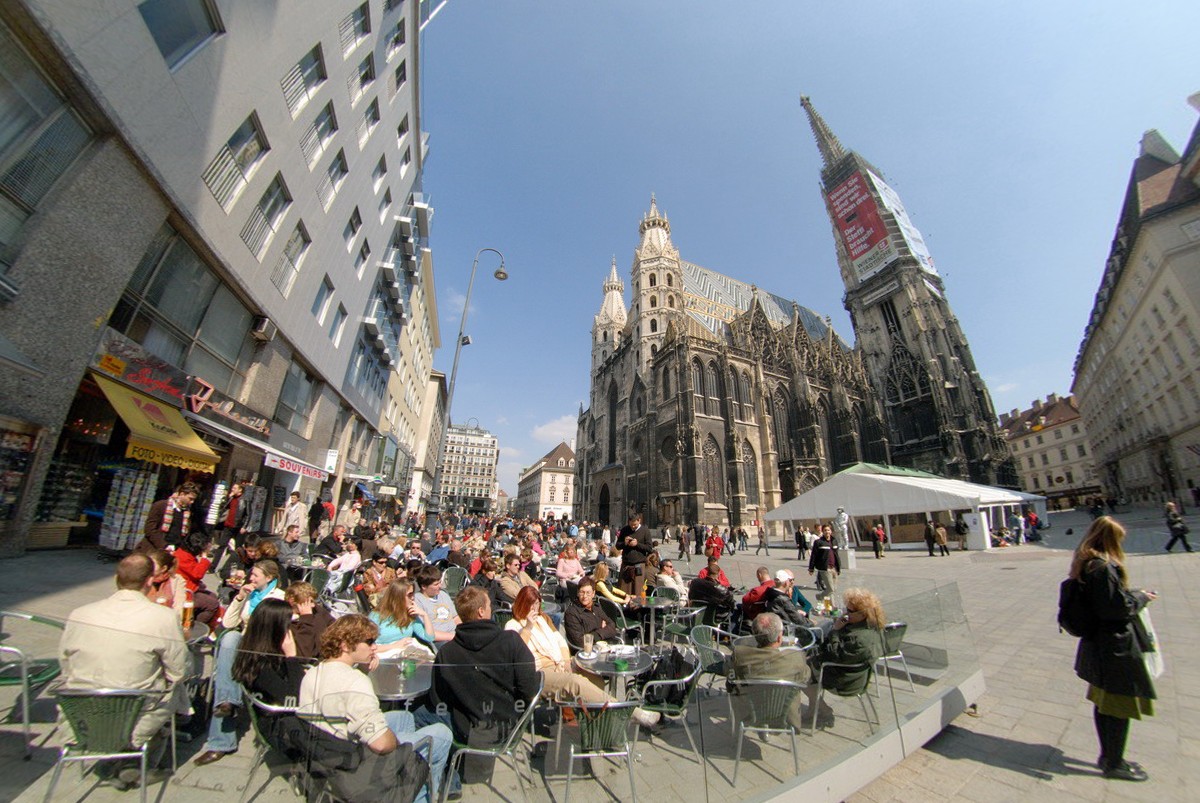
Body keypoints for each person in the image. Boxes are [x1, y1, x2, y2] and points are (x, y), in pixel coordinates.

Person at [60, 554, 188, 788]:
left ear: (116, 578)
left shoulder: (79, 613)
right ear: (150, 581)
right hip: (133, 712)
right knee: (174, 690)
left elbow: (65, 663)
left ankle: (122, 760)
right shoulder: (163, 617)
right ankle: (140, 764)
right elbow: (179, 670)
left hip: (82, 711)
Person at [300, 615, 452, 802]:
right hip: (355, 759)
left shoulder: (314, 672)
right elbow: (381, 743)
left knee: (406, 717)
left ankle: (403, 779)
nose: (375, 646)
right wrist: (395, 741)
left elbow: (342, 704)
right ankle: (421, 794)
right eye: (369, 642)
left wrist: (363, 669)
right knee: (442, 733)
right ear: (346, 646)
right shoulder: (355, 682)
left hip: (326, 749)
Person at [1068, 517, 1157, 781]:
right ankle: (1114, 762)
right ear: (1110, 540)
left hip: (1098, 643)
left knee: (1104, 702)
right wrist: (1140, 597)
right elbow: (1114, 610)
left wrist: (1129, 594)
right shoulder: (1102, 567)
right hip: (1114, 646)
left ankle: (1110, 756)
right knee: (1119, 705)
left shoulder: (1084, 564)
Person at [196, 558, 285, 765]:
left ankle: (222, 738)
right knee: (229, 638)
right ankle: (228, 704)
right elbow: (228, 623)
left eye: (255, 575)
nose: (250, 578)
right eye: (251, 574)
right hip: (242, 644)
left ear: (269, 578)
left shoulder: (278, 597)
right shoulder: (248, 595)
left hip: (263, 650)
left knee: (228, 664)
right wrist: (240, 598)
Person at [431, 586, 541, 747]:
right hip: (509, 725)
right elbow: (529, 688)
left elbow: (438, 699)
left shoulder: (446, 652)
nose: (492, 609)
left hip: (467, 730)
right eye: (490, 605)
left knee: (415, 715)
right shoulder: (511, 641)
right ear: (481, 611)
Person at [231, 598, 308, 753]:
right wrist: (291, 657)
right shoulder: (261, 667)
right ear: (276, 628)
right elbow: (294, 699)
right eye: (288, 624)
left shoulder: (256, 653)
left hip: (285, 716)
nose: (290, 629)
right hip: (283, 728)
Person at [804, 587, 887, 728]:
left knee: (801, 673)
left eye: (850, 611)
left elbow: (834, 655)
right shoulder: (873, 629)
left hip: (845, 681)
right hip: (860, 677)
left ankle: (824, 710)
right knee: (809, 669)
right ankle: (814, 709)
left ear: (862, 614)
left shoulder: (858, 638)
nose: (846, 613)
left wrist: (835, 631)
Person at [731, 612, 812, 729]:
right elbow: (805, 677)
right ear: (779, 637)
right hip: (785, 716)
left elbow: (730, 677)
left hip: (750, 713)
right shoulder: (795, 657)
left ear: (754, 635)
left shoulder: (741, 655)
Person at [369, 578, 435, 652]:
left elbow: (429, 637)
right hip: (384, 656)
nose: (413, 598)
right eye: (409, 595)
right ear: (398, 597)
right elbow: (368, 648)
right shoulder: (376, 616)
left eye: (413, 594)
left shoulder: (410, 614)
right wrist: (394, 646)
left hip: (405, 654)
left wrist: (424, 615)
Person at [136, 482, 200, 553]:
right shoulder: (160, 505)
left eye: (194, 499)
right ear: (182, 494)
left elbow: (184, 533)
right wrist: (164, 546)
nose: (192, 502)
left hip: (173, 551)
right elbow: (149, 529)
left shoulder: (186, 512)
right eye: (190, 499)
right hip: (153, 550)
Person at [173, 530, 220, 627]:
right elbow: (197, 573)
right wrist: (204, 558)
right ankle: (197, 626)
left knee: (213, 596)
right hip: (184, 592)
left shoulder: (184, 554)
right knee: (212, 604)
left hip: (191, 587)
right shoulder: (182, 557)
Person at [563, 578, 622, 650]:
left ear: (593, 594)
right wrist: (603, 630)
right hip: (585, 652)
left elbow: (612, 626)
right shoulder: (571, 613)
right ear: (578, 593)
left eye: (588, 592)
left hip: (603, 647)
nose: (585, 596)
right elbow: (581, 642)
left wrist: (591, 635)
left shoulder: (596, 607)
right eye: (582, 592)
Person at [285, 581, 334, 660]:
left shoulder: (316, 610)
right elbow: (304, 654)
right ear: (292, 601)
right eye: (309, 601)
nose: (313, 605)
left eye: (313, 601)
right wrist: (306, 617)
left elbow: (334, 625)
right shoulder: (287, 623)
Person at [413, 564, 460, 645]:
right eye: (436, 584)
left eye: (440, 582)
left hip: (455, 634)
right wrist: (453, 637)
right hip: (439, 640)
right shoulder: (417, 600)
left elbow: (455, 617)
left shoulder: (443, 594)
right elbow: (426, 631)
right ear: (424, 586)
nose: (440, 586)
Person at [213, 482, 251, 570]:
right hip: (228, 525)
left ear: (240, 490)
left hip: (238, 527)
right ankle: (212, 567)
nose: (232, 489)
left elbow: (248, 514)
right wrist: (228, 498)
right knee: (221, 546)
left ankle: (239, 568)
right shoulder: (231, 498)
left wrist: (244, 526)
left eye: (234, 488)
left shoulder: (244, 500)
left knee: (238, 549)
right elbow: (223, 508)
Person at [616, 511, 653, 597]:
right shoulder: (625, 530)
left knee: (638, 591)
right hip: (626, 565)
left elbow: (649, 548)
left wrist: (637, 544)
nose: (633, 527)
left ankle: (637, 609)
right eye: (631, 525)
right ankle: (624, 609)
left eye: (635, 525)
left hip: (639, 565)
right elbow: (617, 546)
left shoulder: (645, 531)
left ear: (639, 521)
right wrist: (624, 543)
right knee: (624, 591)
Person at [808, 525, 841, 599]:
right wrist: (811, 568)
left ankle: (832, 607)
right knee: (830, 589)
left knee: (833, 589)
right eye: (825, 530)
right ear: (822, 532)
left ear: (831, 531)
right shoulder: (818, 542)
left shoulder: (834, 541)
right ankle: (820, 597)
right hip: (825, 568)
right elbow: (814, 556)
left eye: (828, 530)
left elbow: (836, 555)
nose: (827, 532)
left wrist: (838, 568)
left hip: (834, 568)